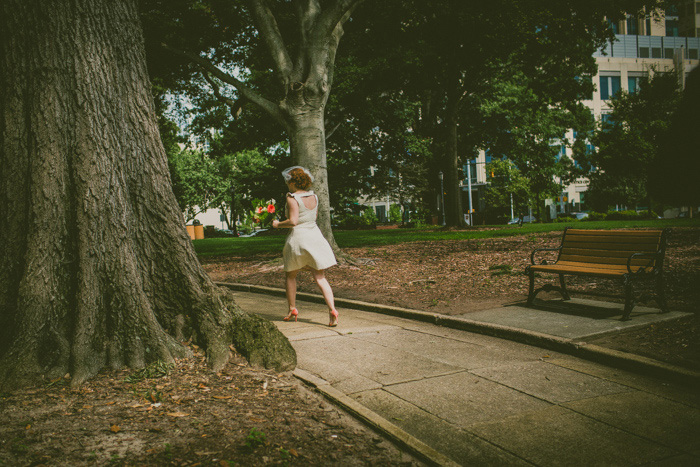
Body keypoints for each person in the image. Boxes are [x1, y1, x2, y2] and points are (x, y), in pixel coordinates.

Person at [271, 166, 339, 327]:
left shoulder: (291, 197)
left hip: (299, 238)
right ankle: (332, 310)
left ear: (293, 182)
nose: (287, 184)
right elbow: (312, 217)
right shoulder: (314, 196)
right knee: (320, 276)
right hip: (315, 236)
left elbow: (293, 221)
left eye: (288, 182)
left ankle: (292, 308)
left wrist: (277, 224)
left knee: (291, 275)